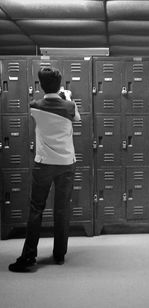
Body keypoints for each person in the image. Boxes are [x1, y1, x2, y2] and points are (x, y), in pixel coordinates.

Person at [9, 67, 81, 272]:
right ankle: (59, 254)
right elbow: (78, 118)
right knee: (62, 209)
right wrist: (66, 96)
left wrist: (56, 96)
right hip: (66, 164)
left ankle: (29, 256)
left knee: (36, 209)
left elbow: (46, 107)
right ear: (60, 85)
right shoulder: (69, 106)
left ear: (41, 86)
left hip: (43, 164)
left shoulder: (35, 106)